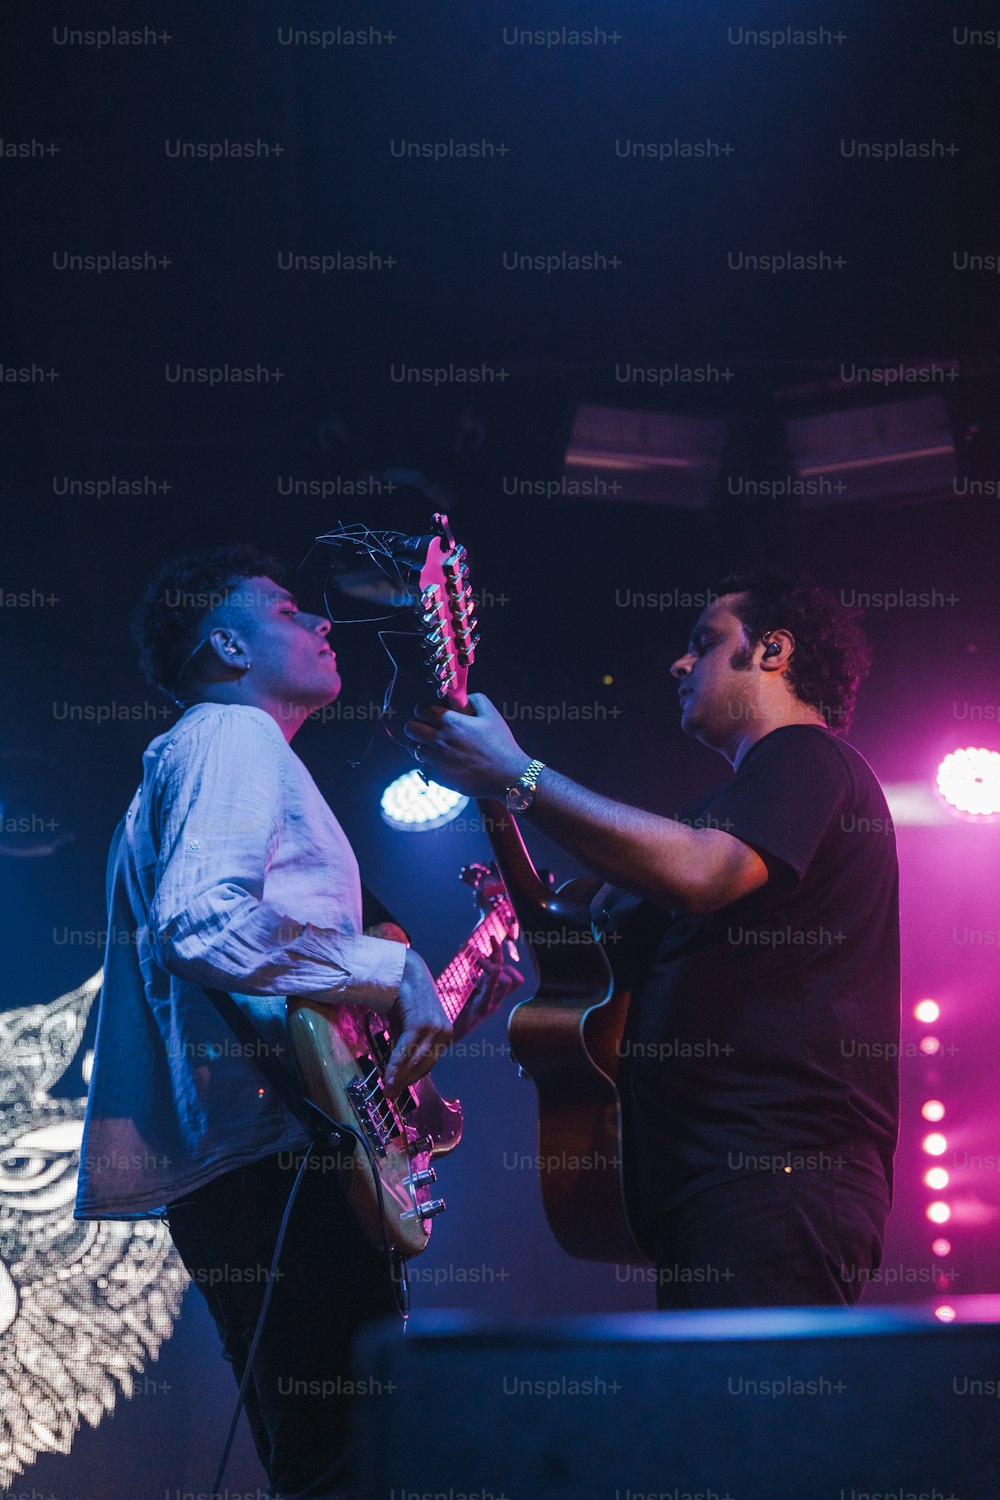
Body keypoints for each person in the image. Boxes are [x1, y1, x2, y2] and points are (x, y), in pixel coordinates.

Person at [75, 544, 519, 1500]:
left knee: (342, 1461)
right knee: (344, 1466)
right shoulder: (228, 738)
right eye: (287, 610)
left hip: (275, 1152)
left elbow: (287, 1010)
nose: (323, 622)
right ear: (227, 645)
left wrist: (428, 1018)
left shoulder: (218, 757)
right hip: (280, 1163)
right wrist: (389, 964)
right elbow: (205, 924)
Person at [405, 570, 900, 1309]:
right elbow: (572, 932)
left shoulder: (808, 759)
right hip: (709, 1187)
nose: (677, 663)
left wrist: (517, 771)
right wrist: (495, 789)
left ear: (772, 650)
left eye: (703, 644)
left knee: (760, 1420)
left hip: (777, 1173)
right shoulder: (721, 807)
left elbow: (705, 872)